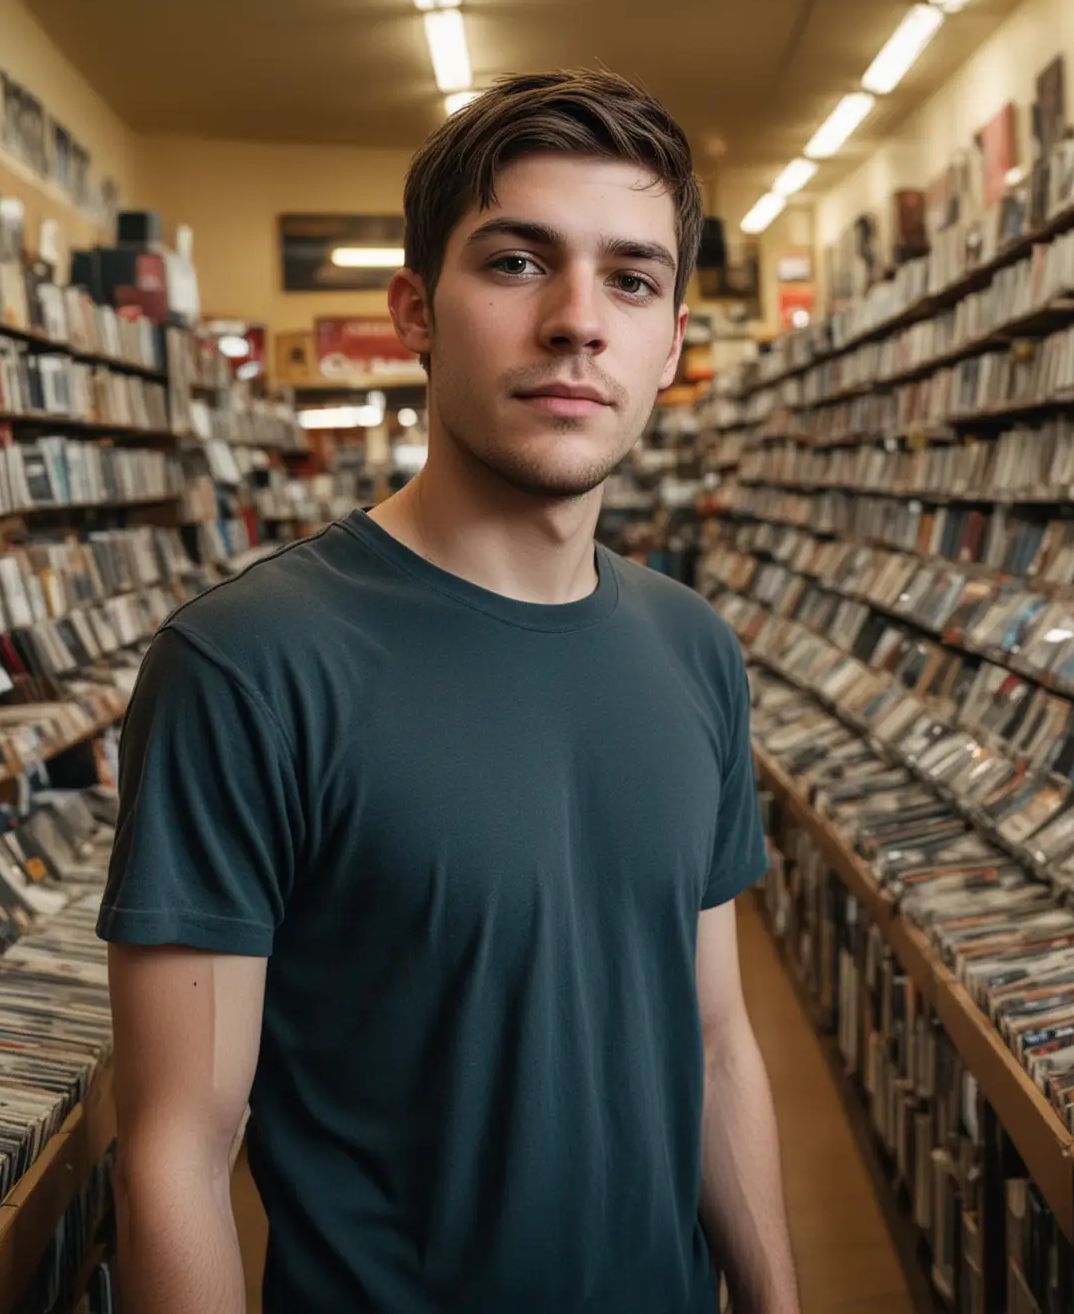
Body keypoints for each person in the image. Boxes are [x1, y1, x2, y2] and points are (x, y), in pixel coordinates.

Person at [100, 71, 798, 1314]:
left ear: (673, 341)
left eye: (632, 279)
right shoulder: (247, 667)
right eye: (519, 264)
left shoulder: (695, 650)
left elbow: (715, 1044)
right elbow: (177, 1153)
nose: (580, 321)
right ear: (416, 309)